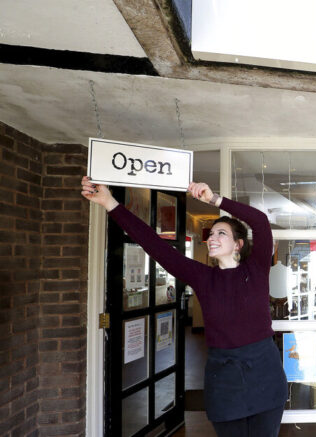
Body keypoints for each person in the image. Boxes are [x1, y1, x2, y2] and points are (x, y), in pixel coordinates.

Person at [81, 176, 288, 437]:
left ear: (238, 244)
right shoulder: (203, 278)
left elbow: (259, 221)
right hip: (224, 380)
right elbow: (155, 245)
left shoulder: (256, 270)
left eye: (221, 233)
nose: (212, 238)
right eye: (211, 234)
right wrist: (110, 202)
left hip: (265, 375)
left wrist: (214, 200)